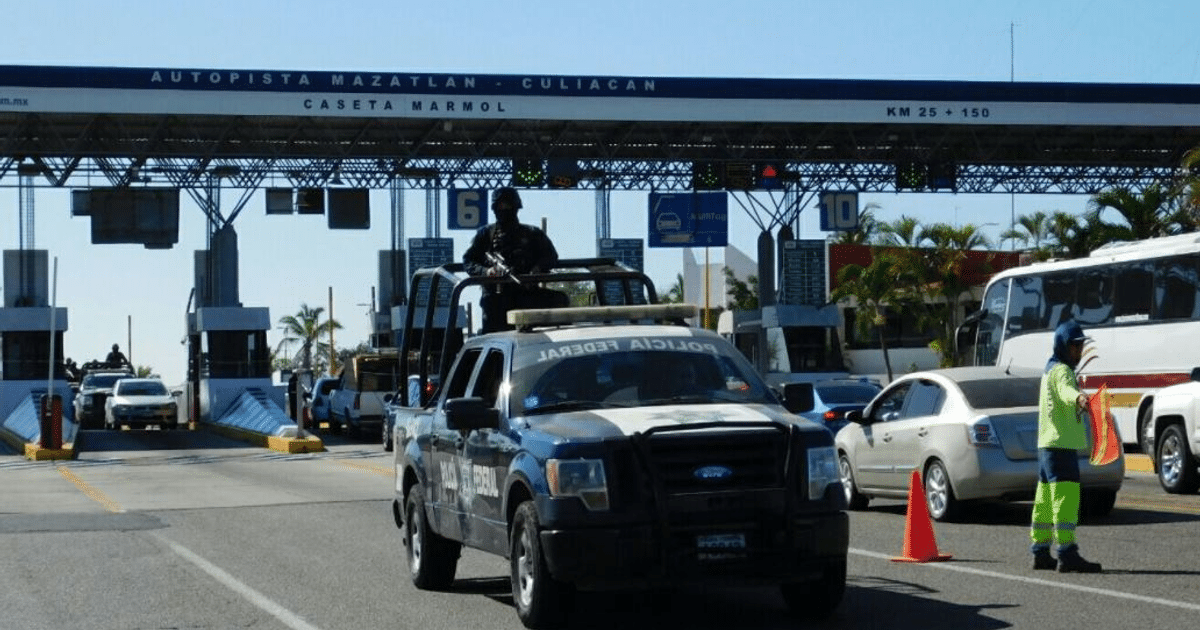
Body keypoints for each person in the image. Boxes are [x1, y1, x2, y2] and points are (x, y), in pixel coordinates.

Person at [1029, 319, 1102, 573]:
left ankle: (1040, 552)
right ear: (1063, 346)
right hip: (1061, 446)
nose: (1079, 351)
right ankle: (1067, 554)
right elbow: (1066, 391)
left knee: (1045, 501)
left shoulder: (1048, 369)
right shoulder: (1062, 371)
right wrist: (1080, 398)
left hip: (1046, 446)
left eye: (1081, 346)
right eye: (1075, 346)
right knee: (1066, 499)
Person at [463, 187, 561, 332]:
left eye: (508, 205)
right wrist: (487, 271)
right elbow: (469, 261)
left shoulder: (532, 234)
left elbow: (551, 257)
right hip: (496, 299)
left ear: (516, 207)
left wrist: (537, 269)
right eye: (500, 206)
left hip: (526, 296)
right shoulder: (486, 234)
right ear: (495, 208)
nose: (504, 210)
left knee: (558, 301)